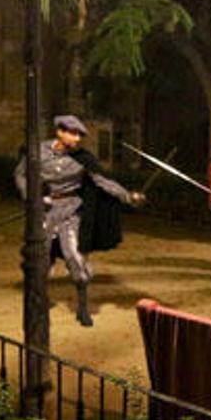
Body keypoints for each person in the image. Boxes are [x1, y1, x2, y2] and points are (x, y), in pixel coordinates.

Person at [14, 115, 145, 327]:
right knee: (39, 257)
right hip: (45, 211)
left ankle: (82, 307)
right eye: (73, 133)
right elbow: (21, 175)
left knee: (74, 256)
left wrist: (128, 197)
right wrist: (31, 198)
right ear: (60, 132)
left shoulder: (82, 158)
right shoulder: (37, 152)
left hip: (71, 211)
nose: (76, 139)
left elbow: (103, 181)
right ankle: (40, 300)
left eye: (79, 135)